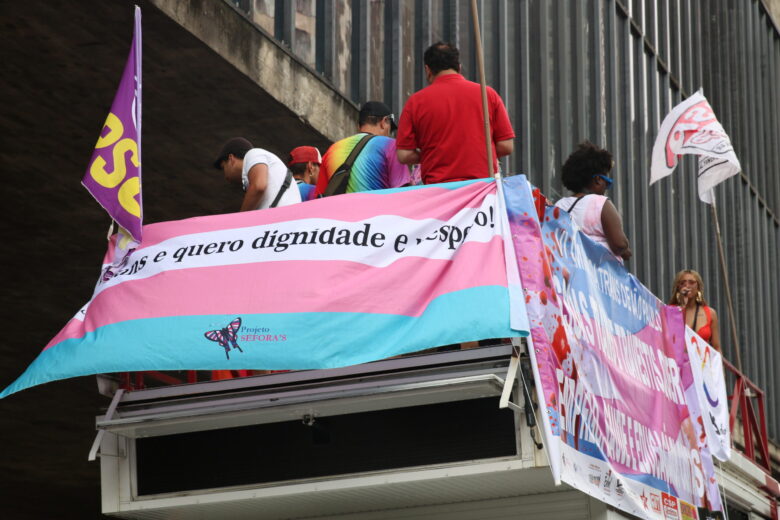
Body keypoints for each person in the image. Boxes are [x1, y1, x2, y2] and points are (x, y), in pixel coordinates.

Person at [395, 41, 515, 184]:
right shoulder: (487, 94)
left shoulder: (415, 102)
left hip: (439, 190)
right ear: (459, 67)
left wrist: (433, 154)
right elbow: (506, 146)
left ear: (427, 70)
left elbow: (404, 155)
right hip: (482, 189)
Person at [314, 101, 411, 196]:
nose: (389, 134)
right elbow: (403, 193)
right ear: (384, 122)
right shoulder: (390, 145)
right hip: (377, 211)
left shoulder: (333, 149)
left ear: (359, 126)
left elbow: (319, 198)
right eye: (390, 128)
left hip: (341, 211)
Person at [555, 141, 632, 262]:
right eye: (608, 182)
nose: (606, 187)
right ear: (597, 180)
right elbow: (619, 244)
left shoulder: (559, 205)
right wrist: (625, 250)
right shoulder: (600, 203)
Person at [213, 137, 301, 211]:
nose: (225, 176)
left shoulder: (253, 154)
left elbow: (259, 186)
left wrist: (240, 221)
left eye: (224, 167)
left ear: (231, 159)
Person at [668, 269, 721, 352]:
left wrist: (719, 364)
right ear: (678, 287)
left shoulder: (710, 313)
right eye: (682, 283)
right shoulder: (670, 311)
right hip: (677, 363)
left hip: (701, 363)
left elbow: (717, 347)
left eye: (691, 282)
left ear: (698, 287)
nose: (687, 285)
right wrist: (682, 305)